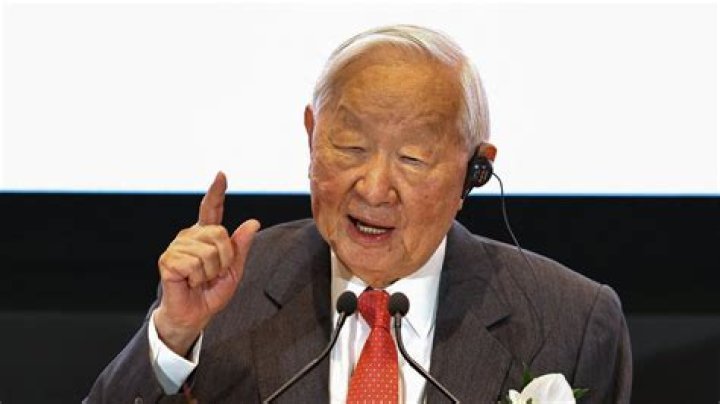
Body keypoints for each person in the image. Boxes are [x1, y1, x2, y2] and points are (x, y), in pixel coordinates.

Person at [86, 25, 631, 403]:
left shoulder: (569, 323)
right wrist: (174, 335)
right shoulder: (228, 292)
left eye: (412, 159)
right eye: (349, 148)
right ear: (311, 136)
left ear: (475, 170)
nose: (373, 188)